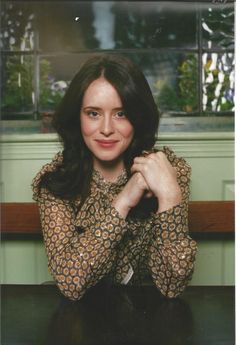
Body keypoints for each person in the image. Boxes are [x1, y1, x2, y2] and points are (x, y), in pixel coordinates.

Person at [32, 53, 197, 301]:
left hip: (147, 325)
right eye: (93, 113)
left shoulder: (166, 171)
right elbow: (70, 283)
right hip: (80, 327)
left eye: (121, 113)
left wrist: (171, 195)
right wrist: (124, 200)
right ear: (77, 117)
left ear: (138, 117)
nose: (107, 128)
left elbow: (172, 284)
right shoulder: (57, 180)